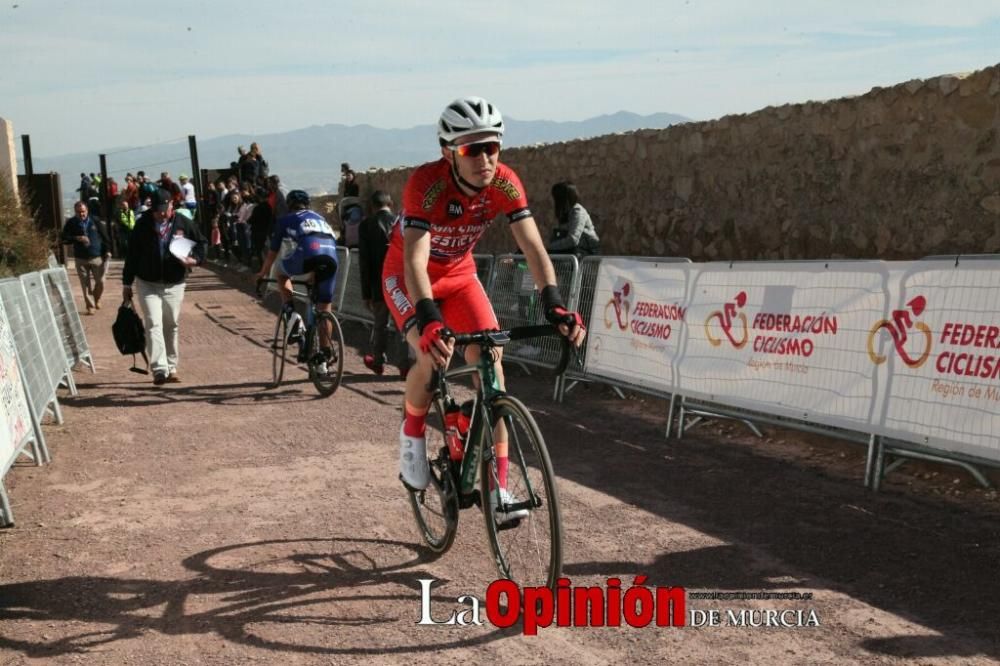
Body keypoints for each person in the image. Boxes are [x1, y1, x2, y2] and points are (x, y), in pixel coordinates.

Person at [384, 95, 586, 523]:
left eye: (491, 146)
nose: (484, 158)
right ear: (448, 152)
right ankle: (412, 436)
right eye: (470, 149)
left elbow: (532, 246)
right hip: (408, 278)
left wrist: (554, 303)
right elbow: (414, 262)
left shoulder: (505, 183)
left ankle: (498, 489)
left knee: (492, 367)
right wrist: (429, 320)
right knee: (429, 356)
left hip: (459, 277)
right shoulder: (426, 184)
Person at [122, 188, 206, 385]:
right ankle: (159, 369)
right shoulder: (142, 225)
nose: (160, 213)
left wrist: (195, 260)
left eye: (164, 209)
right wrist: (127, 283)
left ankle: (171, 366)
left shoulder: (184, 223)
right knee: (153, 323)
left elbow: (201, 243)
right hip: (147, 282)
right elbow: (132, 255)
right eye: (157, 210)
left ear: (171, 205)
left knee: (171, 324)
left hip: (174, 283)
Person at [255, 190, 339, 375]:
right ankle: (323, 356)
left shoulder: (286, 219)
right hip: (332, 258)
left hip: (309, 254)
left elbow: (273, 252)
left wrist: (262, 272)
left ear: (290, 205)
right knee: (324, 306)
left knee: (280, 272)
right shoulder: (320, 218)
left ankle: (292, 313)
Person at [359, 190, 410, 377]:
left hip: (379, 282)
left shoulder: (366, 225)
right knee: (402, 324)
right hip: (402, 281)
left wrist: (366, 293)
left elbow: (364, 262)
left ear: (372, 206)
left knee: (380, 323)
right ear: (391, 204)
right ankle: (404, 366)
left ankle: (378, 361)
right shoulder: (401, 223)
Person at [61, 201, 112, 314]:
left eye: (83, 211)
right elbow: (64, 237)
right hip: (80, 258)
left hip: (96, 257)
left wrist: (108, 251)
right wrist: (76, 238)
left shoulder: (95, 221)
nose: (81, 214)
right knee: (85, 284)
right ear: (75, 212)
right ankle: (90, 306)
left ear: (87, 211)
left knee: (101, 281)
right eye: (79, 212)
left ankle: (97, 298)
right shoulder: (71, 222)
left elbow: (106, 237)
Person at [546, 181, 600, 257]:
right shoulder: (565, 214)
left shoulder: (578, 211)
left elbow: (573, 239)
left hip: (586, 256)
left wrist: (549, 248)